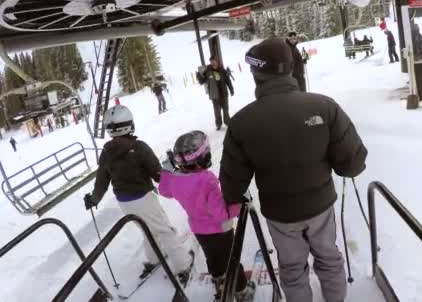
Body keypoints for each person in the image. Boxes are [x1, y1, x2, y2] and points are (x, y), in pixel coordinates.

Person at [220, 38, 368, 302]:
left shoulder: (242, 122)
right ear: (290, 68)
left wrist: (231, 197)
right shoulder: (324, 106)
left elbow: (232, 183)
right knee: (329, 257)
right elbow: (352, 162)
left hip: (280, 215)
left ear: (257, 74)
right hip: (321, 207)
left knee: (292, 268)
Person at [83, 105, 193, 283]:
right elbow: (158, 175)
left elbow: (102, 180)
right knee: (165, 230)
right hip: (143, 198)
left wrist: (93, 198)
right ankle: (183, 264)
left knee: (147, 229)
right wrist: (172, 172)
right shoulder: (139, 148)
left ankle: (155, 257)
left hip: (124, 203)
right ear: (129, 124)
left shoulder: (106, 153)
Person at [159, 131, 255, 301]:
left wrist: (166, 172)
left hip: (199, 230)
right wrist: (240, 206)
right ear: (203, 157)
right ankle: (241, 291)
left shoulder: (175, 180)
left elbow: (164, 191)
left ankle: (220, 282)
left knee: (213, 258)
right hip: (220, 231)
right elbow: (221, 214)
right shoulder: (207, 180)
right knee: (231, 260)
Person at [198, 56, 234, 130]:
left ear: (217, 62)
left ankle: (227, 122)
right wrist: (199, 76)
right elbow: (202, 81)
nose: (213, 63)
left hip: (224, 94)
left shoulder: (222, 70)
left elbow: (228, 81)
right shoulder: (207, 71)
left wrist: (231, 89)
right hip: (215, 95)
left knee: (225, 110)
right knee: (217, 111)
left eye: (214, 61)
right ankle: (218, 124)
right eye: (211, 62)